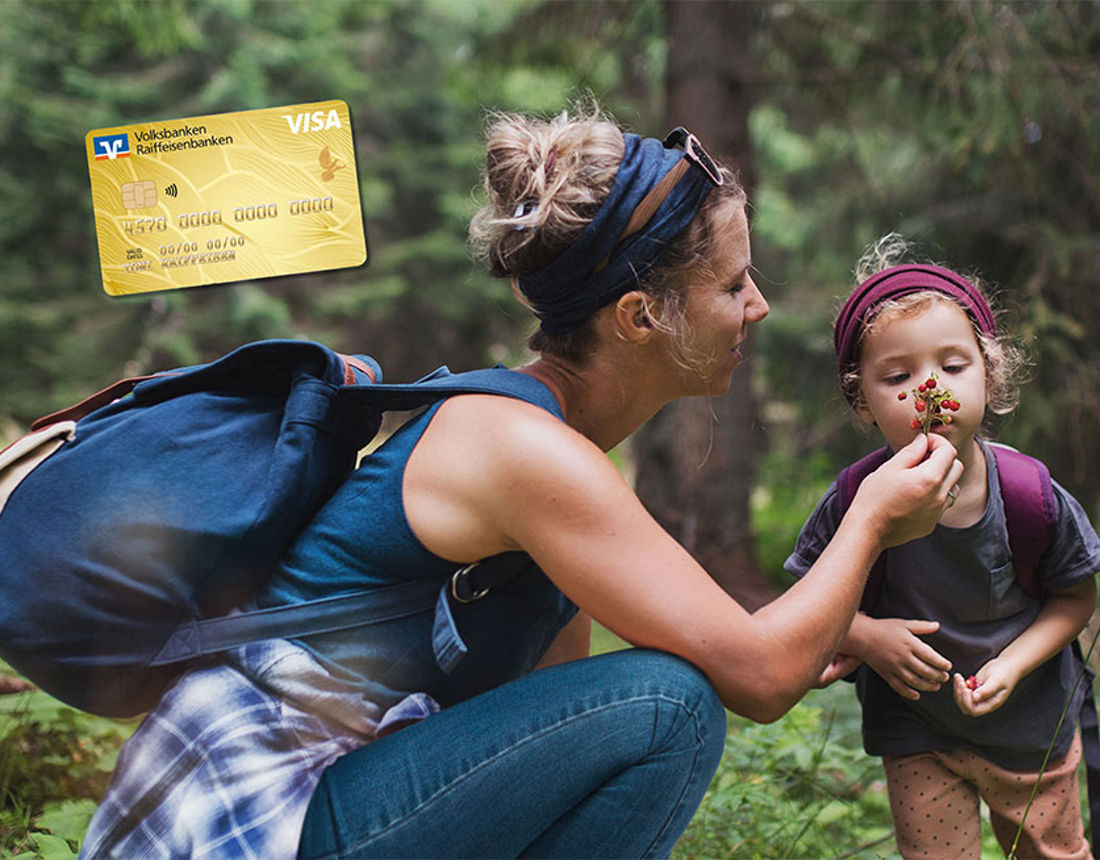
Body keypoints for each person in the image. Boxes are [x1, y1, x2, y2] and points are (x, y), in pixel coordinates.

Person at [81, 115, 962, 859]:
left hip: (316, 800)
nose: (757, 307)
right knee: (670, 706)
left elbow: (546, 735)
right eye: (732, 285)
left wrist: (815, 627)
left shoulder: (556, 455)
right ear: (638, 317)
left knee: (655, 706)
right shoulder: (518, 448)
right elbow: (761, 681)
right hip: (245, 813)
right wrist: (873, 518)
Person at [784, 236, 1100, 859]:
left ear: (990, 374)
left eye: (953, 367)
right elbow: (809, 600)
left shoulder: (1029, 493)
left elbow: (1075, 599)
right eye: (898, 376)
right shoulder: (854, 498)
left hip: (1030, 730)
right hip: (917, 734)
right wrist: (865, 637)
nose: (928, 390)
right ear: (862, 401)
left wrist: (1013, 664)